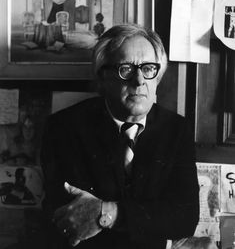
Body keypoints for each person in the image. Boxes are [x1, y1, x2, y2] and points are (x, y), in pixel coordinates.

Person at [41, 23, 199, 249]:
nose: (139, 80)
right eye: (126, 69)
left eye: (148, 69)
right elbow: (72, 220)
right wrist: (151, 226)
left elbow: (185, 218)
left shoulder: (177, 129)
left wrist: (108, 213)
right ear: (103, 79)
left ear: (157, 78)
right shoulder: (64, 128)